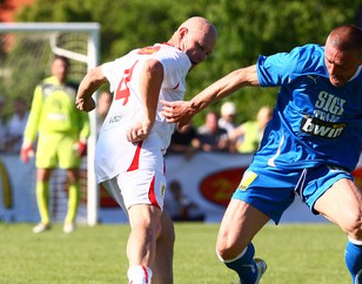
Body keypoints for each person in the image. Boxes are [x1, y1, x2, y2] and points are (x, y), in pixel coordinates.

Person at [161, 24, 362, 284]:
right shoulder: (303, 61)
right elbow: (242, 76)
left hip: (325, 169)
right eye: (329, 61)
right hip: (275, 163)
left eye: (342, 66)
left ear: (361, 61)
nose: (332, 70)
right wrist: (194, 105)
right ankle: (251, 271)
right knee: (227, 249)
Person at [75, 16, 217, 284]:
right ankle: (138, 279)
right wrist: (148, 119)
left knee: (164, 231)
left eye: (207, 53)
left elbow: (94, 75)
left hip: (107, 152)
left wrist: (83, 98)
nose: (200, 56)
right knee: (147, 223)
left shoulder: (134, 55)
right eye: (199, 46)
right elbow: (152, 69)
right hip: (138, 147)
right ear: (182, 33)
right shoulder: (175, 57)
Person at [20, 55, 89, 234]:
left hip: (69, 137)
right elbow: (34, 115)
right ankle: (45, 220)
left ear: (68, 68)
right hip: (47, 137)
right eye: (58, 66)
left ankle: (70, 220)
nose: (62, 70)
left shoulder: (75, 87)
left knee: (73, 177)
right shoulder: (43, 87)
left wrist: (83, 137)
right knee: (42, 176)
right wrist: (27, 142)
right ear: (52, 68)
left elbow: (84, 116)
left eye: (65, 67)